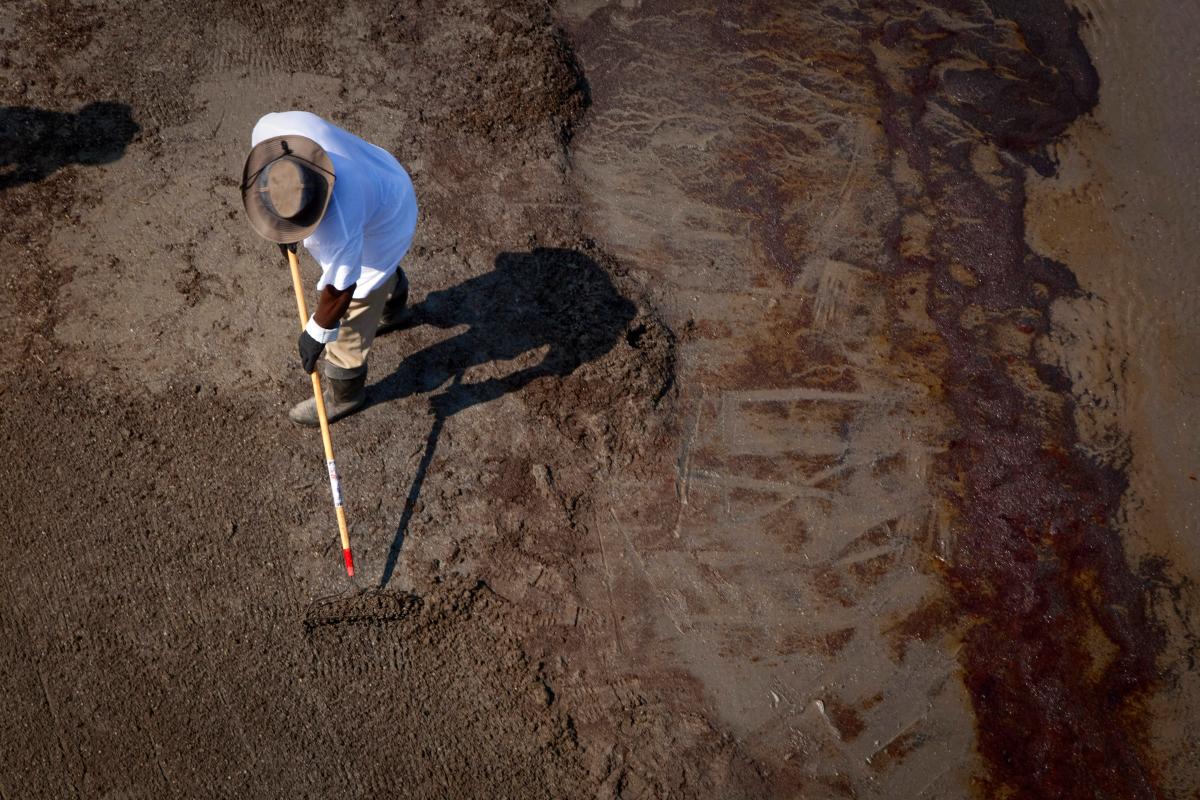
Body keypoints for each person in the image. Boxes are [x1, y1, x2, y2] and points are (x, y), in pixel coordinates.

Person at [240, 110, 418, 425]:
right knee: (375, 279)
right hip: (383, 173)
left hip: (387, 219)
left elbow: (342, 288)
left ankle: (345, 393)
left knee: (354, 311)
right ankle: (393, 307)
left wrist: (317, 332)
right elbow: (282, 188)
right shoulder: (269, 133)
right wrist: (284, 226)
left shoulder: (340, 223)